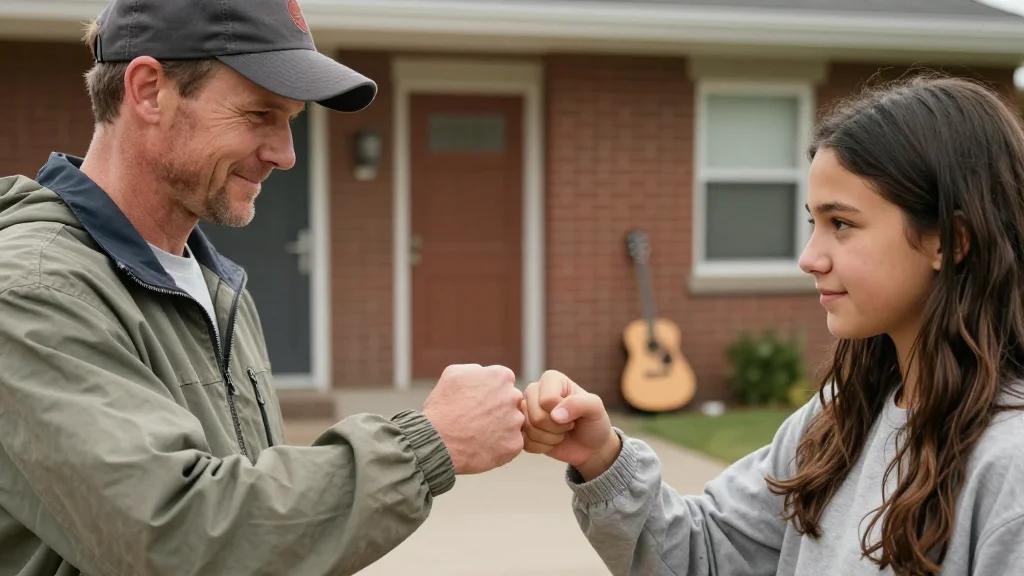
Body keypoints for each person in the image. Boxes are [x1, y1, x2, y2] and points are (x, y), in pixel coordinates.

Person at [0, 1, 525, 574]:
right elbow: (177, 533)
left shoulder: (217, 289)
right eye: (258, 114)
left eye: (290, 120)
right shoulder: (33, 292)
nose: (286, 153)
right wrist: (427, 446)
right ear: (149, 91)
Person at [522, 76, 1024, 576]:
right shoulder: (838, 420)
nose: (808, 258)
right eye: (813, 223)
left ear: (949, 241)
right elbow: (708, 555)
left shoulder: (1009, 464)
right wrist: (602, 457)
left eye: (841, 224)